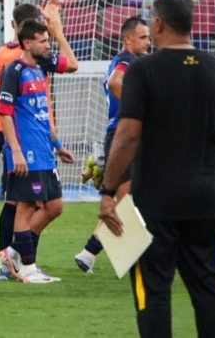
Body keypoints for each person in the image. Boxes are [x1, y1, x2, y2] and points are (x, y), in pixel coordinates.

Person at [97, 0, 215, 338]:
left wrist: (107, 191)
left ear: (159, 24)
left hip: (154, 203)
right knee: (209, 291)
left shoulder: (143, 71)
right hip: (206, 201)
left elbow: (128, 136)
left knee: (154, 294)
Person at [0, 9, 79, 284]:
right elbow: (5, 113)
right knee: (25, 208)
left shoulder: (41, 66)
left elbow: (73, 64)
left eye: (48, 40)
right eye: (43, 41)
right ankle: (28, 268)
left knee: (54, 206)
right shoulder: (14, 71)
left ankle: (12, 253)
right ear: (28, 43)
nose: (48, 45)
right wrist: (16, 151)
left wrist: (57, 143)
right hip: (26, 151)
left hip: (44, 148)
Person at [75, 15, 151, 273]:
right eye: (143, 37)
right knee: (126, 200)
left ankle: (91, 253)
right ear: (128, 39)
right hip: (124, 133)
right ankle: (91, 251)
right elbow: (115, 83)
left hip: (119, 133)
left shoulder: (124, 61)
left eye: (149, 36)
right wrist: (139, 109)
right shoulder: (127, 60)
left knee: (130, 199)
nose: (148, 42)